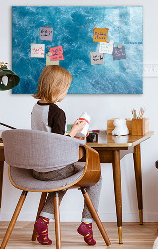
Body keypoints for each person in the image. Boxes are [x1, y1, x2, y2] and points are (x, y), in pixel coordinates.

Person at [31, 65, 101, 246]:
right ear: (57, 88)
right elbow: (59, 144)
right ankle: (87, 223)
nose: (66, 93)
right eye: (66, 89)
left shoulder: (36, 108)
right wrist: (76, 131)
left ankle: (43, 221)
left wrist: (70, 133)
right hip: (54, 169)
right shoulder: (57, 112)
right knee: (96, 177)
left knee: (61, 180)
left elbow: (48, 137)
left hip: (37, 169)